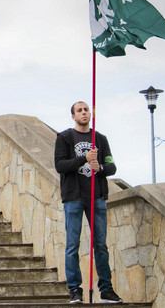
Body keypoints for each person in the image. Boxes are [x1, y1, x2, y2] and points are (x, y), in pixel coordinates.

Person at [54, 101, 122, 304]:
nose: (84, 113)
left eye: (86, 109)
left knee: (100, 245)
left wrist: (99, 166)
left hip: (97, 197)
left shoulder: (100, 139)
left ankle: (106, 290)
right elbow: (60, 165)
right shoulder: (64, 137)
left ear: (90, 113)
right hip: (74, 198)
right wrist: (84, 158)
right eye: (79, 110)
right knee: (72, 245)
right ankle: (75, 290)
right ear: (73, 116)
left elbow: (112, 166)